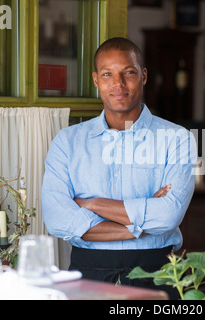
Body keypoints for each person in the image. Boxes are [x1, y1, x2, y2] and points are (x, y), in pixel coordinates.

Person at [41, 37, 196, 299]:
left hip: (157, 274)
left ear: (143, 76)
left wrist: (91, 203)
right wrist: (137, 226)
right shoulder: (67, 142)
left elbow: (168, 216)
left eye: (129, 73)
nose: (118, 84)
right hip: (86, 275)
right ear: (96, 80)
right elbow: (58, 220)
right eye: (107, 74)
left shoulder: (177, 138)